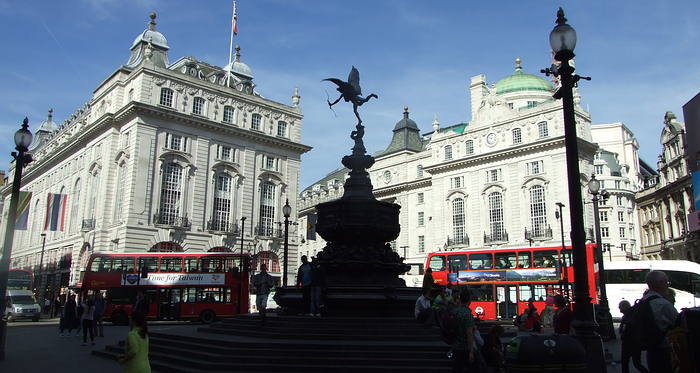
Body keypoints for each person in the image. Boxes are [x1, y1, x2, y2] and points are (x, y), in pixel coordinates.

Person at [642, 270, 679, 373]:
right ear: (661, 283)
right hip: (664, 349)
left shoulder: (643, 300)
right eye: (666, 282)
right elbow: (678, 322)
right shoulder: (663, 304)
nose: (667, 285)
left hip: (650, 349)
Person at [618, 300, 649, 373]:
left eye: (620, 306)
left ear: (625, 306)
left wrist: (622, 333)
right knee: (637, 364)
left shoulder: (628, 316)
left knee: (625, 362)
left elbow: (626, 328)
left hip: (628, 343)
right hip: (635, 343)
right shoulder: (632, 314)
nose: (619, 308)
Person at [450, 288, 475, 373]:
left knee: (456, 368)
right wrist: (471, 351)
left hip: (454, 345)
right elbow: (469, 334)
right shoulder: (467, 314)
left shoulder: (455, 311)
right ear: (469, 300)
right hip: (464, 347)